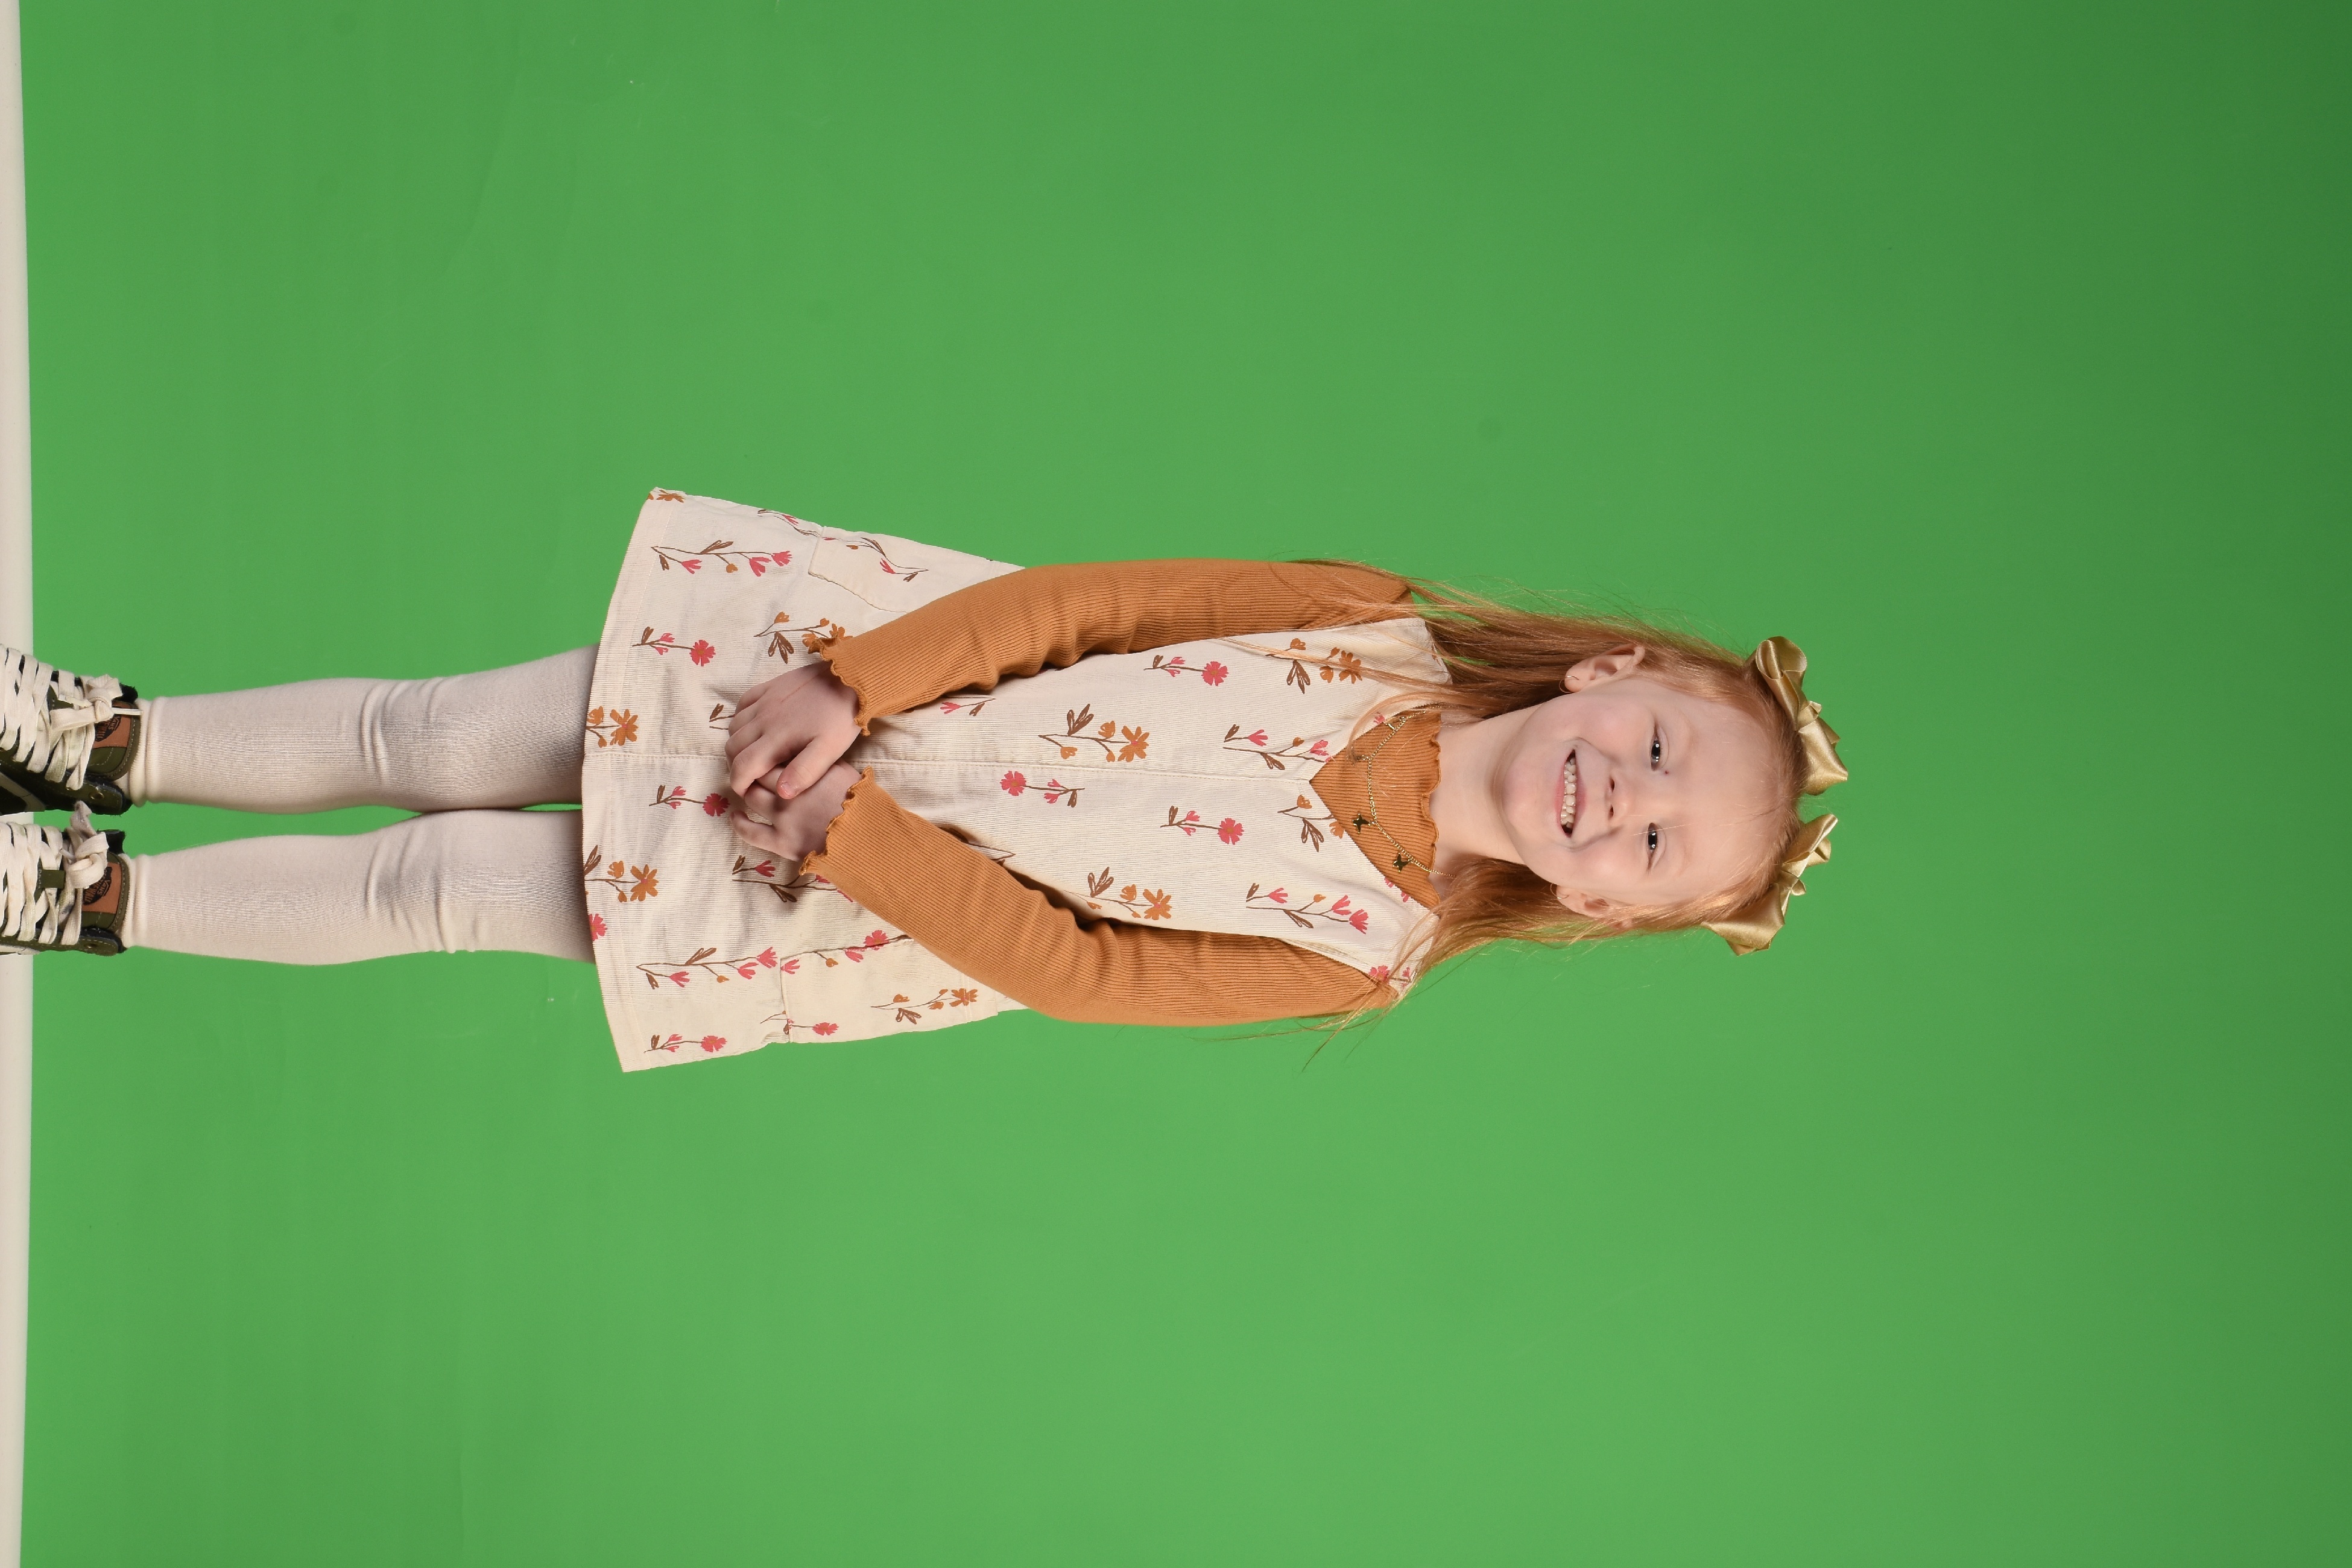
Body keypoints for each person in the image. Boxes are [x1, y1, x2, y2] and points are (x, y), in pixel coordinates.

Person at [0, 490, 1845, 1069]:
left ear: (1597, 903)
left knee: (436, 890)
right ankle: (100, 739)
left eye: (1654, 846)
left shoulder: (1357, 949)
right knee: (430, 734)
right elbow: (1092, 607)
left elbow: (1086, 972)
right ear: (1615, 675)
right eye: (1658, 752)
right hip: (808, 681)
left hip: (832, 889)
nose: (1622, 800)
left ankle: (93, 895)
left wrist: (856, 835)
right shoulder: (1366, 620)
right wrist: (850, 684)